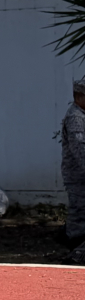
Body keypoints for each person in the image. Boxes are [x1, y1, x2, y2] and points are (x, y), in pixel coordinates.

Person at [62, 79, 85, 247]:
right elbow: (79, 148)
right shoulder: (75, 117)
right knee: (79, 209)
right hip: (78, 173)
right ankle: (75, 243)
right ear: (79, 97)